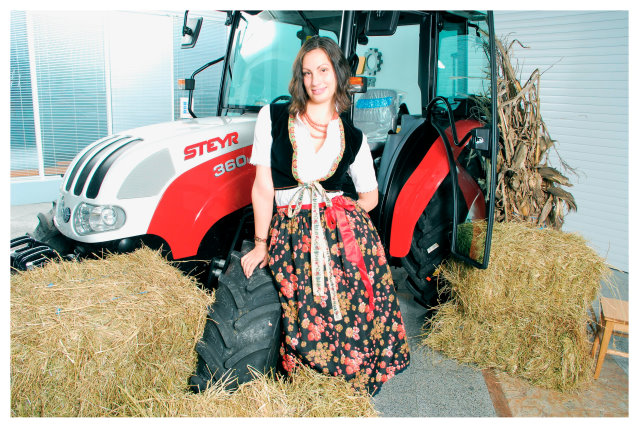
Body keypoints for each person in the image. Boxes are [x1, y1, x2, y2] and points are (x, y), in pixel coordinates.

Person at [240, 36, 409, 396]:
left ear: (338, 74)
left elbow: (370, 196)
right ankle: (308, 387)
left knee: (352, 313)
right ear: (299, 78)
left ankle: (344, 392)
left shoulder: (353, 136)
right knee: (304, 316)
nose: (315, 80)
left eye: (323, 70)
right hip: (291, 233)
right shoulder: (273, 118)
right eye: (307, 73)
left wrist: (340, 213)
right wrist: (260, 243)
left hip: (341, 233)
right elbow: (263, 186)